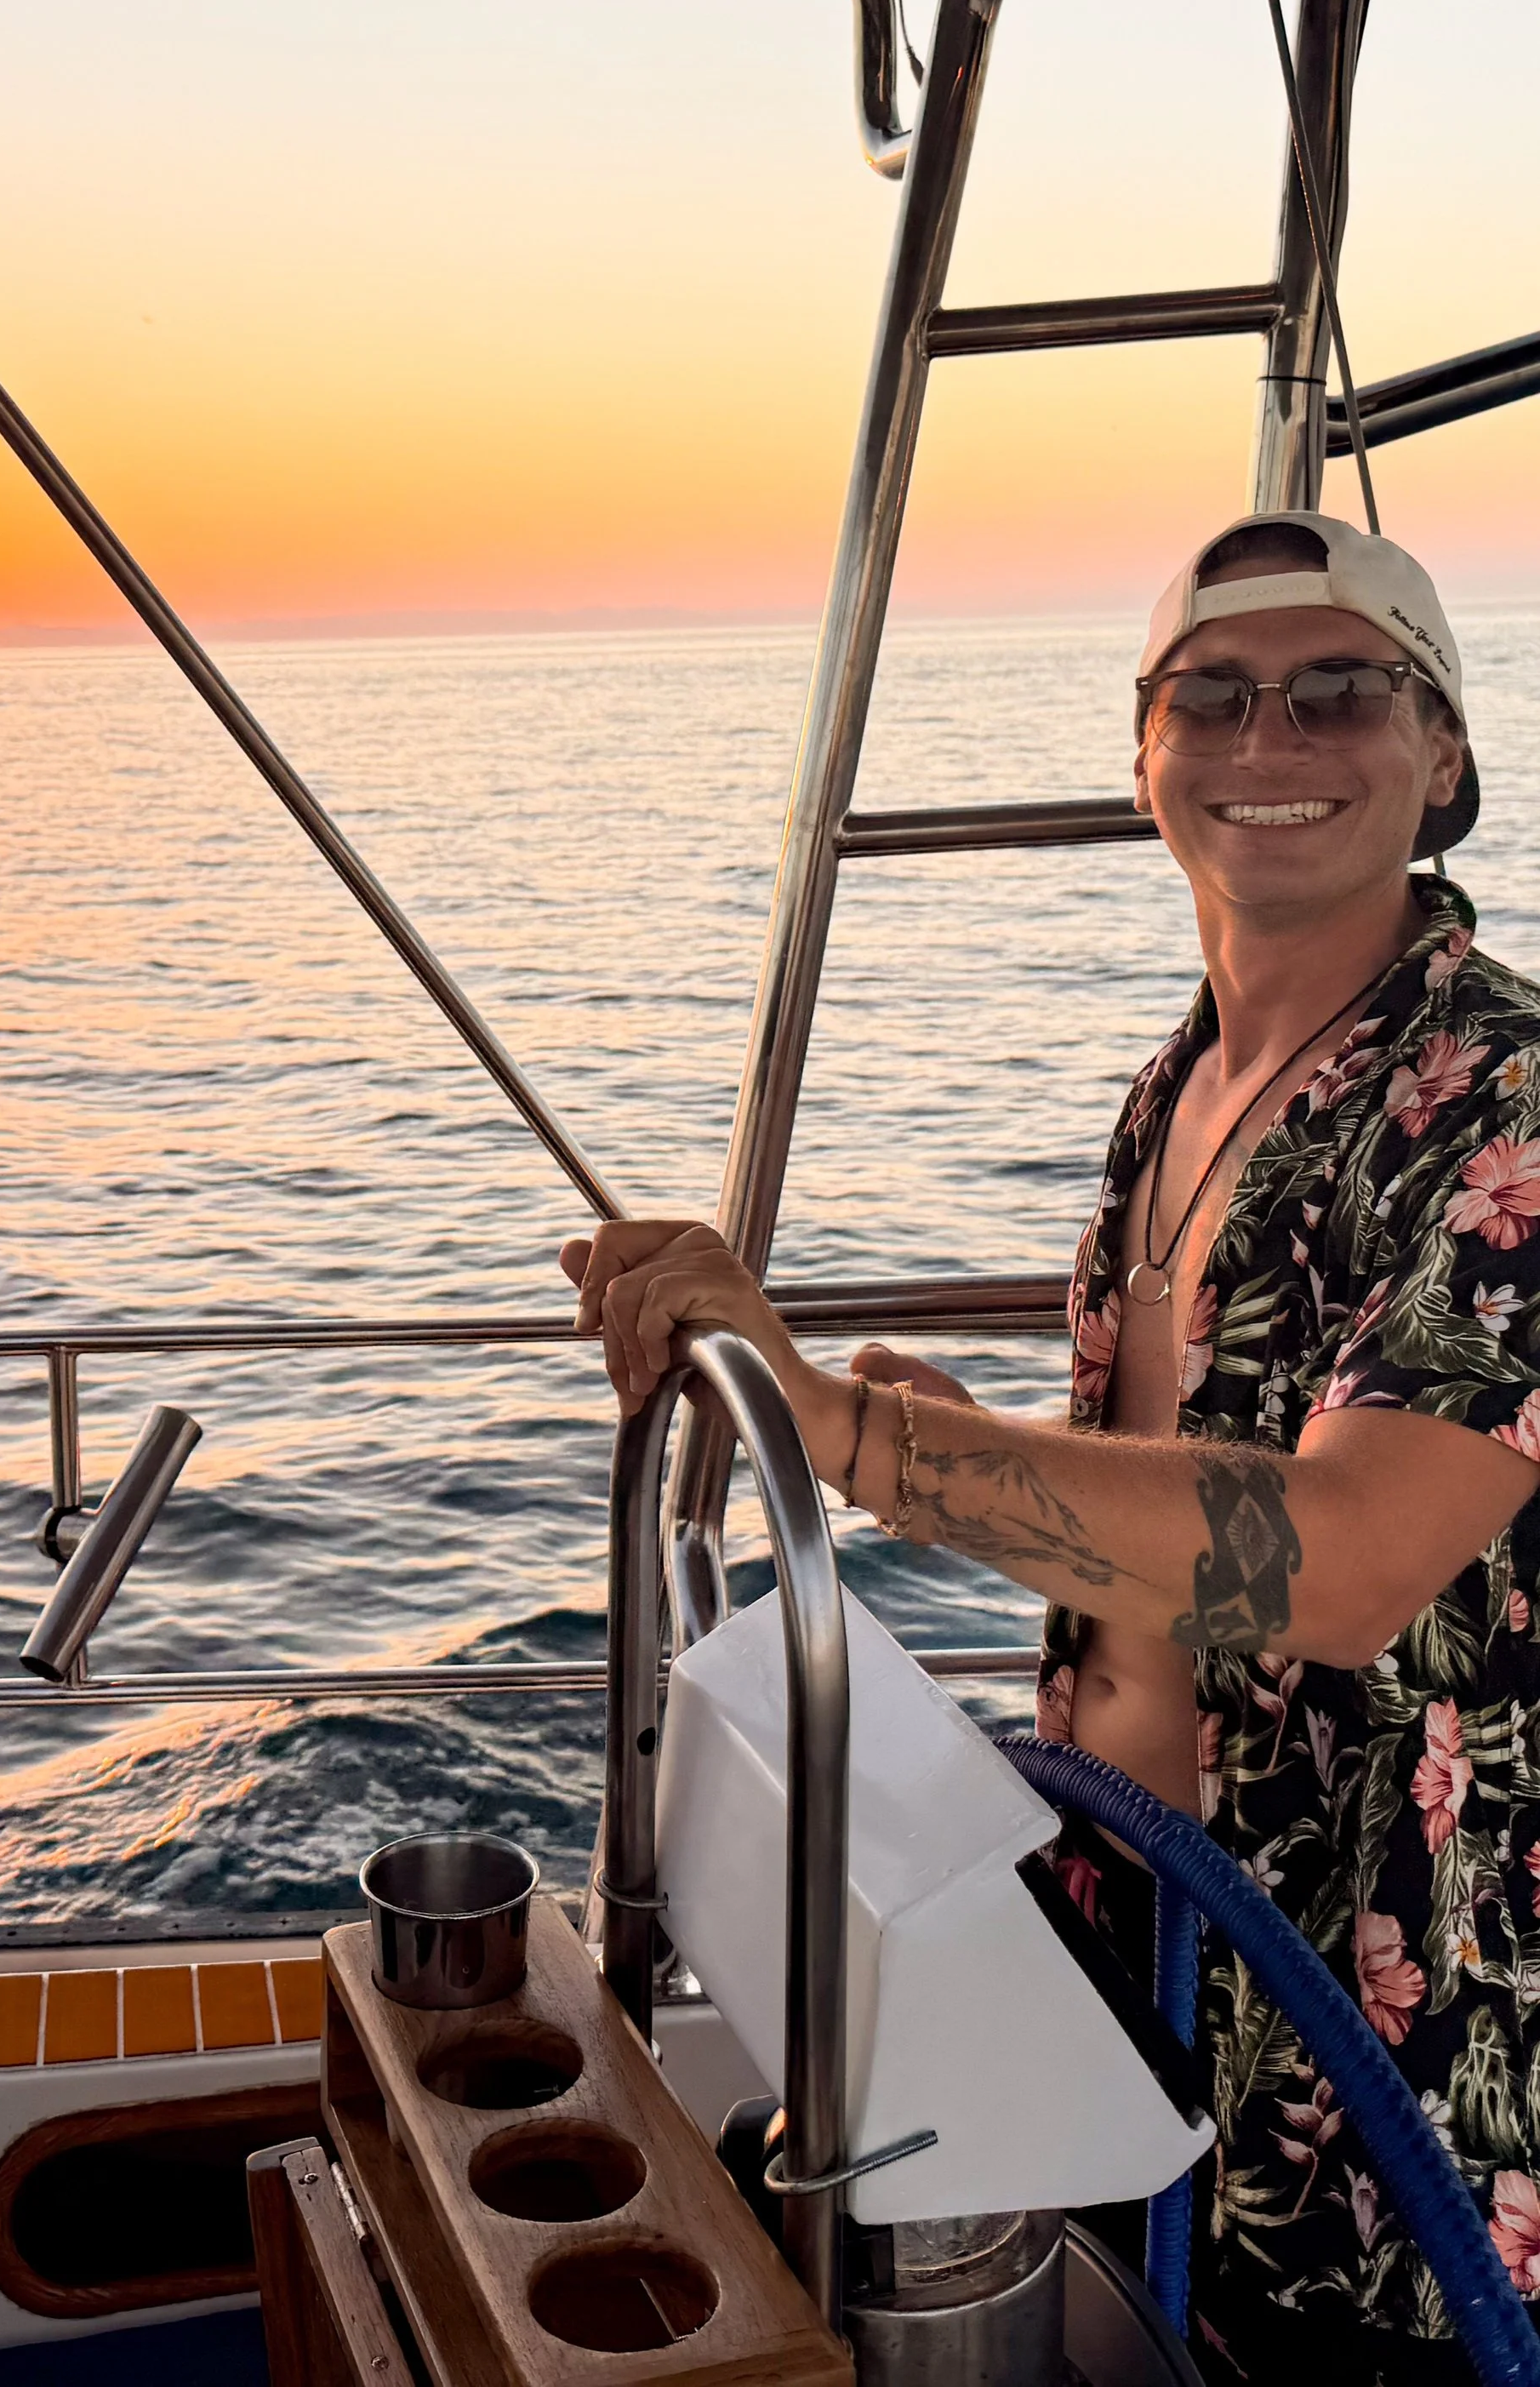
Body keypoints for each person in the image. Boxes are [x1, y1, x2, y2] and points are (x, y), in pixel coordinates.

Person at [563, 512, 1540, 2384]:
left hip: (1387, 2065)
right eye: (1212, 696)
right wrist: (970, 1451)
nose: (1269, 742)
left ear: (1443, 763)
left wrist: (854, 1440)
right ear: (1143, 757)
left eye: (1343, 692)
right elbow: (1166, 1540)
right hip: (1132, 1961)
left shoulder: (1501, 1099)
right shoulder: (1171, 1090)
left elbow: (1332, 1562)